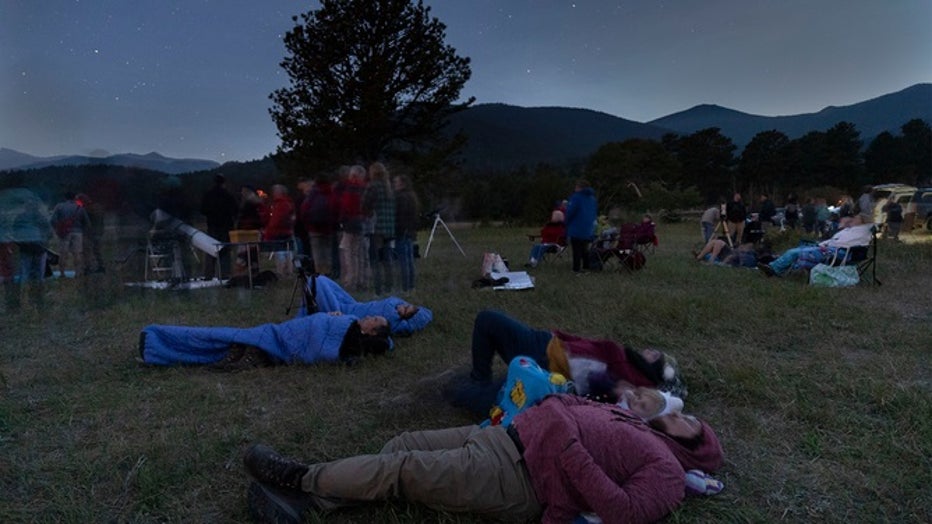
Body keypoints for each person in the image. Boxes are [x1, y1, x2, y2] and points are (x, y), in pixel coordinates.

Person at [242, 394, 724, 524]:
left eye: (691, 425)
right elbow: (571, 407)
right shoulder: (635, 422)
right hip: (500, 436)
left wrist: (568, 446)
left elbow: (623, 512)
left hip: (519, 479)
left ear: (694, 448)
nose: (684, 417)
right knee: (401, 444)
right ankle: (316, 504)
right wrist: (561, 410)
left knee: (403, 470)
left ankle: (298, 478)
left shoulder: (667, 472)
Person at [449, 310, 686, 416]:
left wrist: (613, 388)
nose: (649, 350)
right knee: (488, 320)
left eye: (654, 355)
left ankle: (477, 387)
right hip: (545, 344)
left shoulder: (633, 384)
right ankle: (480, 380)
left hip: (544, 370)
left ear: (652, 371)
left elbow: (597, 391)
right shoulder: (627, 364)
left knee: (468, 395)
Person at [138, 311, 391, 368]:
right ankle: (157, 339)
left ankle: (158, 346)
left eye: (375, 319)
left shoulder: (354, 336)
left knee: (222, 342)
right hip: (280, 331)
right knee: (219, 336)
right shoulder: (348, 318)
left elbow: (383, 344)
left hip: (289, 342)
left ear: (372, 331)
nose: (369, 316)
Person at [300, 274, 432, 336]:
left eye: (405, 309)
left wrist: (406, 315)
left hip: (344, 311)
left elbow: (424, 318)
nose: (403, 307)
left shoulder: (397, 322)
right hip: (353, 303)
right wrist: (411, 308)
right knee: (321, 279)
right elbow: (427, 312)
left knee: (316, 282)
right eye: (406, 306)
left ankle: (304, 318)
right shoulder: (398, 304)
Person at [758, 222, 874, 277]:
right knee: (796, 250)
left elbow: (845, 243)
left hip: (837, 252)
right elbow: (834, 239)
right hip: (827, 247)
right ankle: (774, 266)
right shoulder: (849, 230)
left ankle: (774, 269)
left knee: (794, 252)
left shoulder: (864, 231)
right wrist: (822, 244)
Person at [362, 162, 396, 294]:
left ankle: (378, 288)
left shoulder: (372, 187)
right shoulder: (389, 187)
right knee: (387, 258)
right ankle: (389, 286)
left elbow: (365, 205)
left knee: (375, 259)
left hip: (376, 227)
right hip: (389, 227)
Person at [199, 174, 238, 278]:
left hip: (212, 226)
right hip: (226, 227)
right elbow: (235, 210)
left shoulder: (208, 195)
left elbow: (203, 210)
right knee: (225, 251)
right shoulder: (228, 196)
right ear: (224, 183)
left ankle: (209, 274)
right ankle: (225, 274)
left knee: (210, 250)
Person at [338, 165, 368, 291]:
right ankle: (361, 280)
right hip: (360, 223)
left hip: (350, 224)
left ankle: (350, 281)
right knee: (358, 254)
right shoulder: (364, 189)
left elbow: (345, 206)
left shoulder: (349, 189)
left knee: (349, 254)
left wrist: (341, 220)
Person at [300, 175, 336, 276]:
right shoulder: (331, 192)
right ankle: (328, 273)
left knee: (317, 253)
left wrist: (307, 224)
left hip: (314, 228)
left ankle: (319, 275)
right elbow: (336, 208)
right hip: (328, 228)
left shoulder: (313, 194)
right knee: (327, 252)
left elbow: (304, 210)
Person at [49, 191, 91, 276]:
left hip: (64, 233)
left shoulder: (59, 206)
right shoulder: (79, 207)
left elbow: (53, 220)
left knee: (63, 254)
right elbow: (87, 223)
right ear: (74, 197)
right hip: (78, 232)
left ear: (65, 197)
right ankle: (78, 272)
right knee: (77, 253)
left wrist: (58, 228)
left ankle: (62, 273)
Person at [391, 174, 419, 292]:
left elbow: (397, 215)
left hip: (401, 231)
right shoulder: (412, 196)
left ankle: (405, 287)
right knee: (409, 259)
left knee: (403, 260)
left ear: (402, 183)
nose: (394, 185)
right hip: (410, 230)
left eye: (396, 182)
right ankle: (411, 285)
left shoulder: (399, 197)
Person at [262, 184, 296, 277]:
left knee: (280, 253)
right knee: (288, 252)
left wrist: (268, 233)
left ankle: (282, 272)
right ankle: (289, 270)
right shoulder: (288, 203)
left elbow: (275, 220)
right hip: (287, 232)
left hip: (278, 233)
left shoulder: (280, 204)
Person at [565, 179, 597, 274]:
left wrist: (566, 222)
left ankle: (576, 269)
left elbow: (570, 212)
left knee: (576, 249)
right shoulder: (592, 199)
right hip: (588, 228)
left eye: (576, 186)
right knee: (585, 249)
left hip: (576, 227)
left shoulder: (576, 197)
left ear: (579, 187)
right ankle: (586, 267)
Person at [74, 193, 106, 275]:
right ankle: (101, 266)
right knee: (97, 251)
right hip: (98, 232)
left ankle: (88, 267)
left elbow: (85, 220)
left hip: (89, 233)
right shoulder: (98, 207)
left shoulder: (86, 209)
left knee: (87, 251)